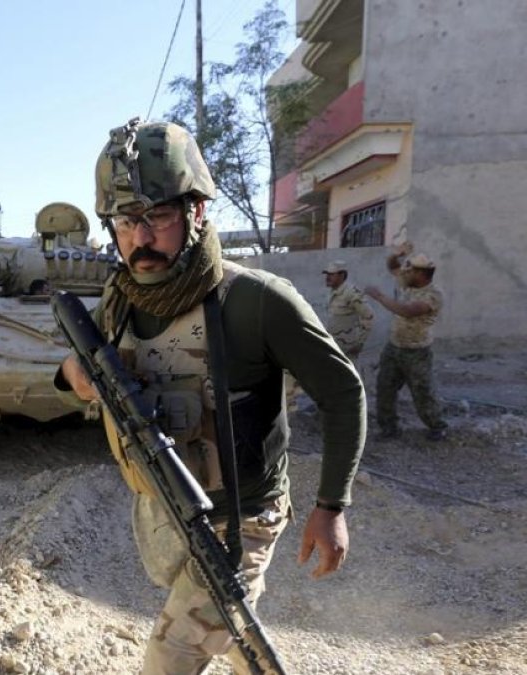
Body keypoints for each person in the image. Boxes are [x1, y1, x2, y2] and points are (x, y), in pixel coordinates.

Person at [55, 118, 365, 674]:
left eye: (158, 217)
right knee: (231, 634)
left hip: (242, 518)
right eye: (124, 221)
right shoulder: (120, 299)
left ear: (196, 211)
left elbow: (344, 393)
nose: (139, 239)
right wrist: (74, 371)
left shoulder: (257, 301)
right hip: (164, 508)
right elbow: (76, 366)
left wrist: (331, 507)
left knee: (172, 655)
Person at [364, 243, 448, 441]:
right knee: (385, 387)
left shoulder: (433, 295)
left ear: (421, 274)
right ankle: (389, 428)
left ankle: (437, 425)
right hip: (394, 346)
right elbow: (392, 265)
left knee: (422, 391)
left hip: (416, 351)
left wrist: (379, 296)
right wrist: (397, 254)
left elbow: (407, 311)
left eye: (410, 271)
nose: (404, 273)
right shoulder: (409, 282)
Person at [322, 260, 374, 360]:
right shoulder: (333, 292)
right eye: (327, 274)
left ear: (342, 275)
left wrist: (360, 342)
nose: (327, 277)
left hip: (346, 346)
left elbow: (368, 316)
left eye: (332, 274)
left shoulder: (352, 293)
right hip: (333, 344)